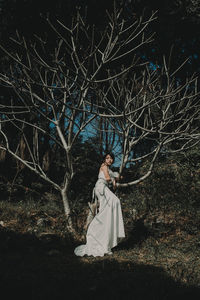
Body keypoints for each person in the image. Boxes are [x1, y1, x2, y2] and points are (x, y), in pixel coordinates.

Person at [74, 152, 125, 257]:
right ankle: (94, 231)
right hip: (101, 187)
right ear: (104, 160)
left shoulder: (109, 169)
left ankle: (105, 242)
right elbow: (106, 178)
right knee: (114, 202)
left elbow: (114, 184)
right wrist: (114, 178)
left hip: (104, 187)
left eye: (111, 158)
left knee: (108, 210)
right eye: (107, 158)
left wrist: (115, 179)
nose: (109, 160)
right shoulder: (104, 166)